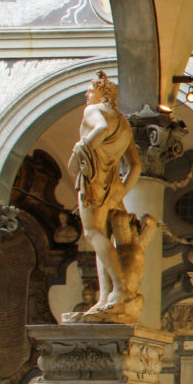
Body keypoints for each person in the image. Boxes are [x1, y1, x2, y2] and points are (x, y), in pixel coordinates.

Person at [67, 71, 141, 314]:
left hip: (93, 181)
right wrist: (122, 192)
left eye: (91, 90)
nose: (87, 94)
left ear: (103, 92)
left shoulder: (93, 110)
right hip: (113, 185)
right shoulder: (123, 122)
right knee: (104, 239)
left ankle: (120, 288)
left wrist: (81, 151)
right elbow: (136, 166)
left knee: (93, 233)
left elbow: (99, 128)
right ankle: (105, 296)